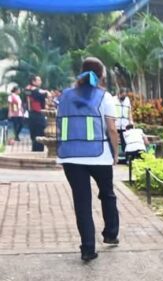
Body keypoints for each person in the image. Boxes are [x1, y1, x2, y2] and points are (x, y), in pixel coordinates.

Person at [55, 57, 120, 263]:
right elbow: (111, 129)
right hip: (99, 155)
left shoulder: (64, 96)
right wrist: (116, 153)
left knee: (82, 203)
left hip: (71, 157)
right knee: (107, 194)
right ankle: (110, 234)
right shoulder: (105, 97)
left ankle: (87, 249)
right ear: (101, 76)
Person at [25, 75, 49, 152]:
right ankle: (38, 152)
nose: (40, 82)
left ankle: (35, 151)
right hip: (37, 114)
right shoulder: (34, 90)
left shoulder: (27, 89)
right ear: (33, 81)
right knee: (40, 134)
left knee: (34, 134)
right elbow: (39, 94)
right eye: (39, 80)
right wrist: (46, 93)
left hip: (31, 114)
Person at [116, 88, 133, 157]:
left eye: (125, 96)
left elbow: (129, 112)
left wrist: (131, 121)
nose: (124, 97)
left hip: (124, 124)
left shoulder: (127, 100)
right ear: (119, 94)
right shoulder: (113, 100)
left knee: (124, 142)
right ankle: (114, 155)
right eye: (122, 96)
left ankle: (126, 157)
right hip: (116, 124)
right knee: (114, 140)